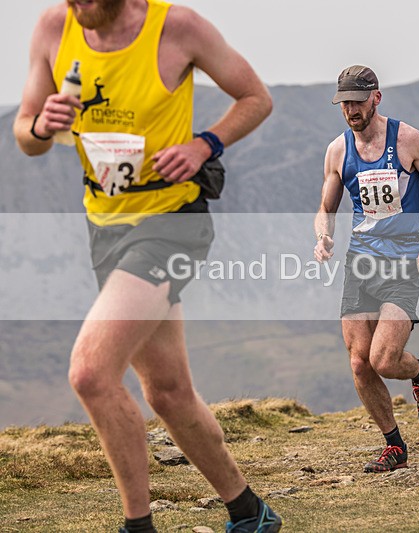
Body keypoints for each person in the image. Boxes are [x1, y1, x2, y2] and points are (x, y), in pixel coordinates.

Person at [14, 1, 278, 532]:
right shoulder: (53, 27)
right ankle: (250, 513)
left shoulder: (176, 27)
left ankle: (138, 526)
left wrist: (205, 144)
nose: (77, 6)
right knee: (167, 392)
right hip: (105, 226)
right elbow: (26, 137)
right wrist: (42, 126)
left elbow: (256, 98)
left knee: (90, 373)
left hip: (172, 222)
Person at [314, 65, 419, 473]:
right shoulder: (337, 151)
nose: (350, 111)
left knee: (383, 359)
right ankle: (394, 445)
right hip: (360, 263)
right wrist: (323, 235)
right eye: (344, 104)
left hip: (403, 263)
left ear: (376, 97)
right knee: (359, 361)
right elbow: (326, 207)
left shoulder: (407, 140)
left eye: (357, 102)